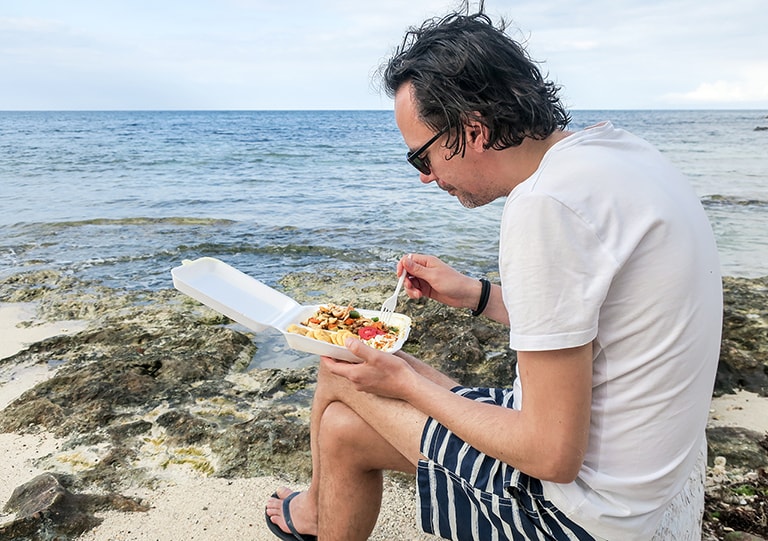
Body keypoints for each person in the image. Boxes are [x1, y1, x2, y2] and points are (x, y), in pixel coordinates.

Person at [265, 6, 722, 541]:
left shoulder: (546, 205)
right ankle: (320, 510)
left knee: (339, 369)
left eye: (422, 158)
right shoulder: (616, 154)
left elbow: (550, 455)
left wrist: (407, 383)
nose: (426, 178)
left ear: (474, 131)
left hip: (580, 515)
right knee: (344, 423)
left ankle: (319, 512)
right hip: (649, 472)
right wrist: (476, 295)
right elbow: (599, 314)